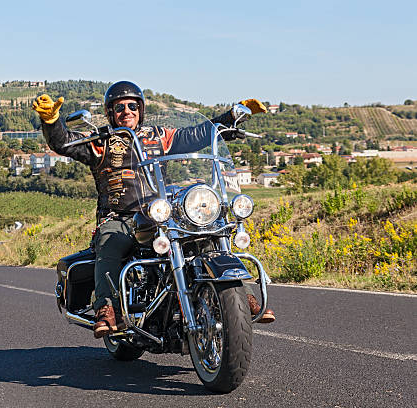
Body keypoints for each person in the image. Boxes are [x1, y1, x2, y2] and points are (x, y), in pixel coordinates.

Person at [33, 81, 275, 338]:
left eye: (132, 106)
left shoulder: (160, 136)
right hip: (120, 217)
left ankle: (236, 294)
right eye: (119, 107)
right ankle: (108, 308)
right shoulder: (100, 141)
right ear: (110, 112)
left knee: (204, 232)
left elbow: (197, 135)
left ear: (140, 109)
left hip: (161, 213)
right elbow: (64, 142)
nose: (126, 111)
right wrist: (51, 121)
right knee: (109, 243)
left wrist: (233, 116)